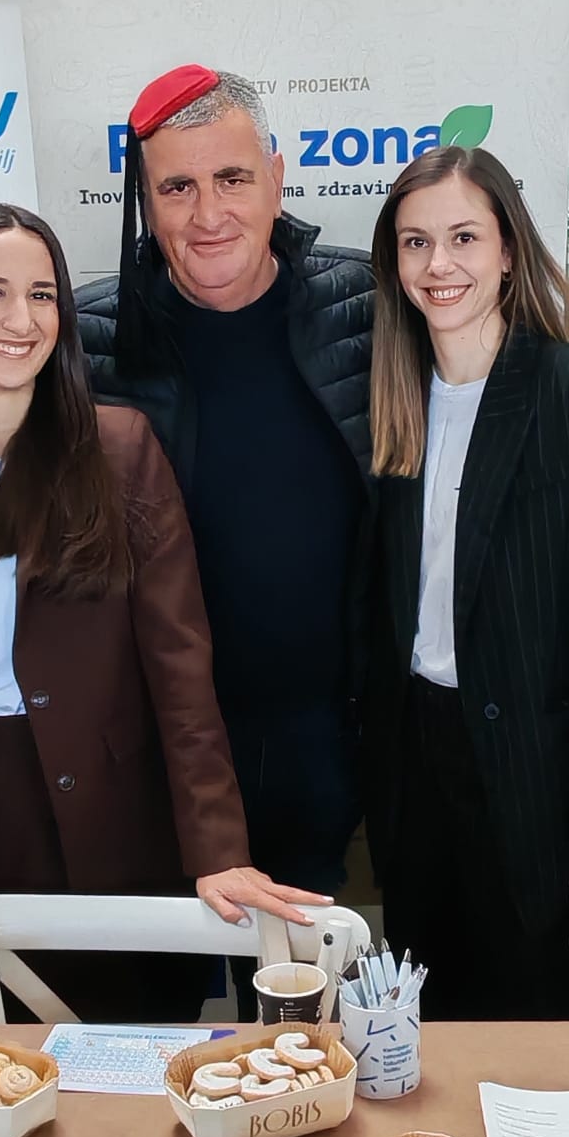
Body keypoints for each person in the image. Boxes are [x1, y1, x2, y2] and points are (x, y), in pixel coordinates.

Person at [0, 201, 328, 1023]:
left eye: (42, 295)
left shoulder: (121, 451)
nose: (19, 320)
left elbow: (180, 671)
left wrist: (218, 850)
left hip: (107, 817)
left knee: (125, 1063)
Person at [78, 65, 375, 1019]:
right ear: (144, 201)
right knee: (148, 1024)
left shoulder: (370, 309)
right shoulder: (82, 339)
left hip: (325, 748)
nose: (208, 214)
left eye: (232, 178)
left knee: (301, 1026)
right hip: (154, 757)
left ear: (277, 179)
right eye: (177, 187)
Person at [365, 146, 569, 1021]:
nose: (439, 264)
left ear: (507, 249)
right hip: (417, 767)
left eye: (463, 237)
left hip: (540, 779)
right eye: (416, 242)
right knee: (432, 1033)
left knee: (540, 1039)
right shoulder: (392, 400)